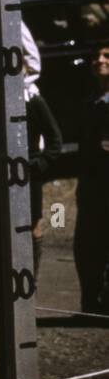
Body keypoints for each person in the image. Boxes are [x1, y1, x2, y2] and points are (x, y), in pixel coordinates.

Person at [21, 20, 61, 281]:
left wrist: (36, 166)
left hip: (29, 170)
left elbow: (55, 140)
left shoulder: (32, 99)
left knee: (33, 224)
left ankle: (30, 281)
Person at [74, 45, 109, 315]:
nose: (99, 61)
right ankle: (91, 300)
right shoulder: (89, 100)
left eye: (107, 56)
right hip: (91, 182)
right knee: (87, 246)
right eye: (96, 56)